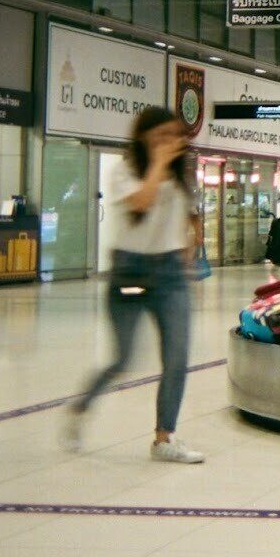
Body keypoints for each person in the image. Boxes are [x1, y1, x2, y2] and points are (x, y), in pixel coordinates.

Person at [63, 107, 205, 464]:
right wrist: (158, 162)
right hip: (131, 273)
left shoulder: (182, 175)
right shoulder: (123, 170)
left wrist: (187, 260)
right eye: (160, 136)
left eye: (174, 136)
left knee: (177, 357)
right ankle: (81, 408)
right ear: (143, 137)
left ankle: (164, 438)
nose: (170, 143)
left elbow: (189, 218)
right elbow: (142, 201)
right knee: (123, 359)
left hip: (171, 274)